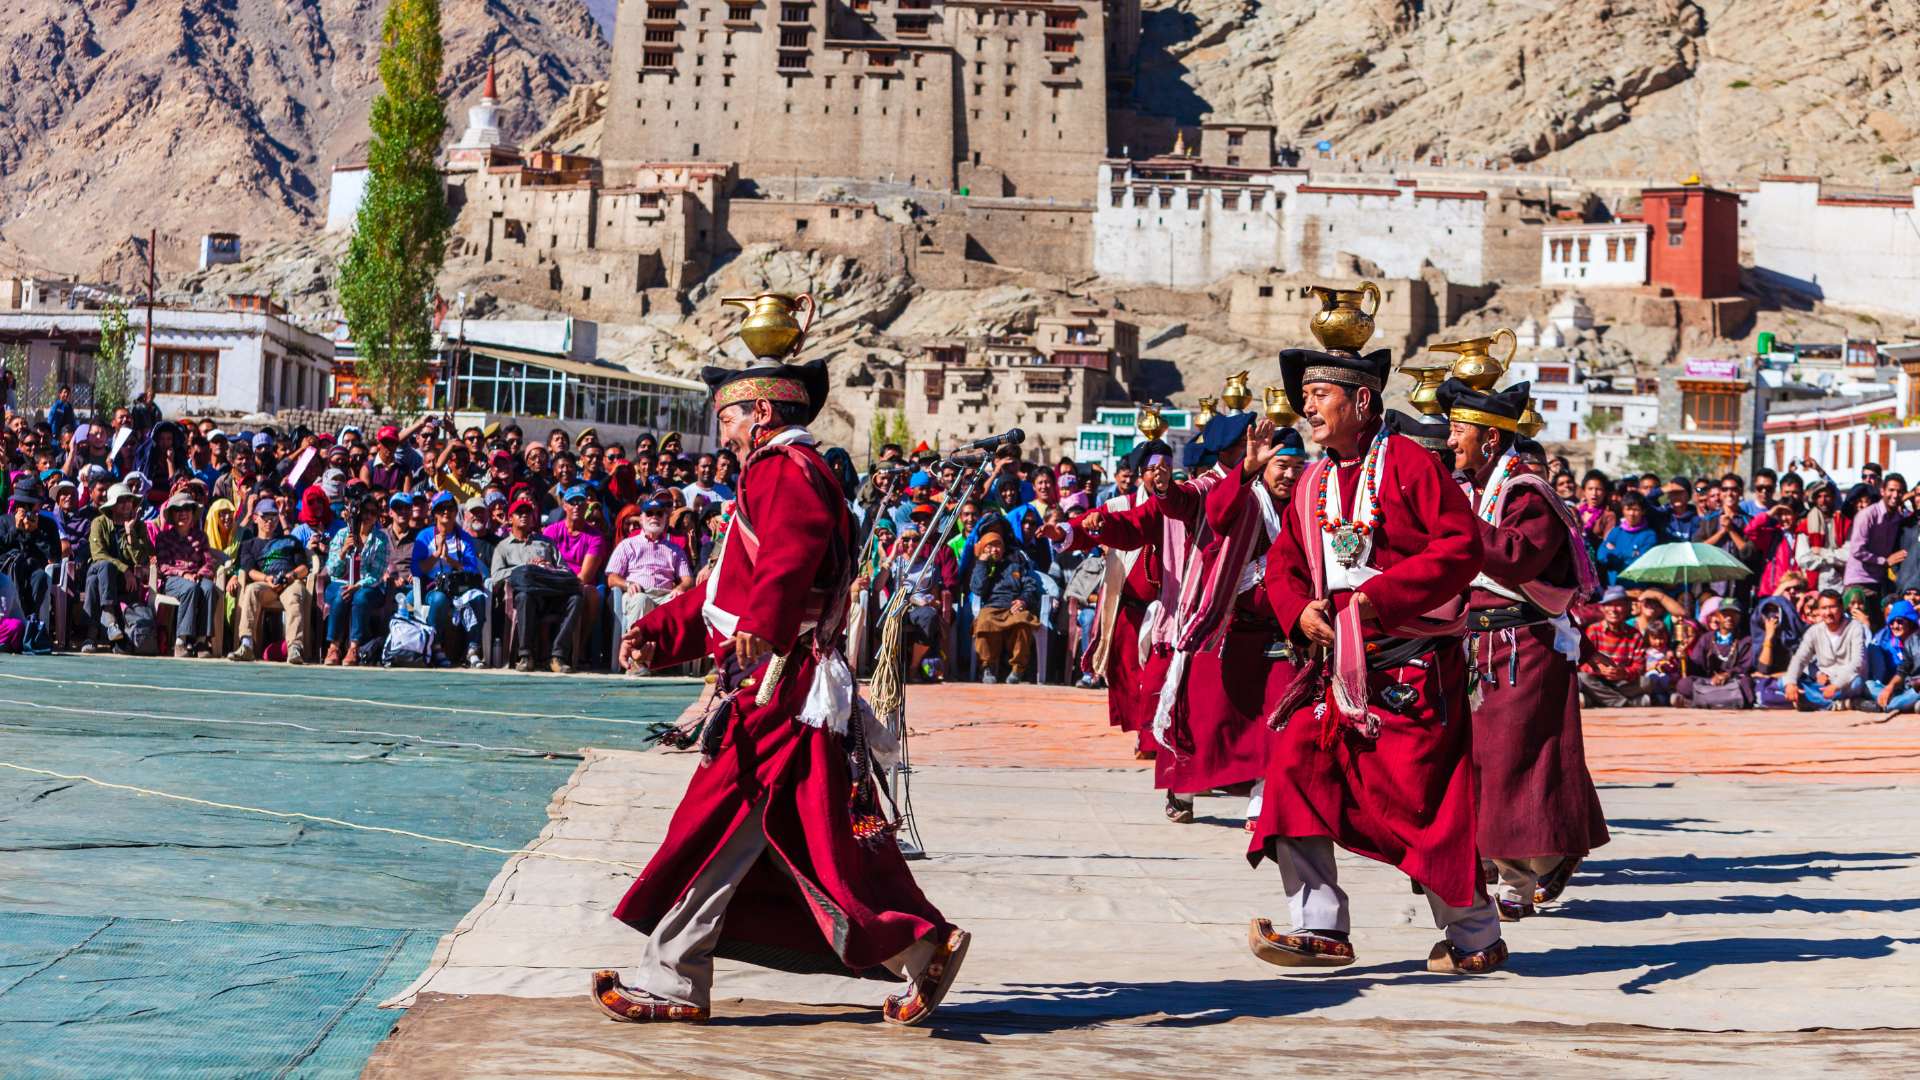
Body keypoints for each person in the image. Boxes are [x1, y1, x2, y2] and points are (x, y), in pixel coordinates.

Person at [597, 356, 966, 1027]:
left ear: (762, 412)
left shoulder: (782, 469)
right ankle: (919, 949)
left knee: (718, 825)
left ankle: (673, 977)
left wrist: (765, 626)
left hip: (778, 687)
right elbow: (725, 591)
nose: (725, 433)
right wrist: (658, 630)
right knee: (805, 837)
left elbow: (789, 557)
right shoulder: (789, 470)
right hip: (784, 681)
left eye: (729, 417)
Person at [1246, 345, 1506, 976]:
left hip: (1410, 666)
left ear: (1361, 401)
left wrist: (1376, 600)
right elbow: (1283, 565)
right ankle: (1320, 924)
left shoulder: (1410, 464)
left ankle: (1475, 935)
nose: (1307, 408)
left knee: (1421, 805)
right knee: (1295, 766)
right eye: (1305, 397)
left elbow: (1461, 546)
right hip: (1336, 670)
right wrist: (1298, 611)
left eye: (1320, 395)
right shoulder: (1312, 482)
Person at [1439, 377, 1607, 922]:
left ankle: (1518, 879)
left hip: (1523, 644)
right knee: (1479, 758)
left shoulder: (1527, 493)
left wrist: (1454, 520)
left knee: (1511, 760)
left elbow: (1517, 558)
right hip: (1478, 642)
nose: (1449, 441)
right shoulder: (1474, 490)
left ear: (1489, 438)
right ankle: (1527, 857)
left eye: (1458, 430)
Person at [1045, 438, 1200, 761]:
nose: (1161, 474)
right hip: (1130, 607)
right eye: (1154, 469)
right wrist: (1063, 533)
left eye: (1167, 468)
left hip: (1172, 609)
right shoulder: (1120, 505)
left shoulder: (1183, 502)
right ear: (1141, 473)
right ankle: (1146, 735)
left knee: (1162, 676)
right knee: (1131, 678)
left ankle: (1154, 739)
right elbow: (1089, 526)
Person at [491, 497, 585, 672]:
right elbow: (496, 576)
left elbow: (565, 570)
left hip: (551, 593)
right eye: (519, 513)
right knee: (524, 596)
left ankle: (557, 656)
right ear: (510, 518)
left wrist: (549, 568)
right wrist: (525, 568)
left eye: (528, 513)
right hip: (527, 597)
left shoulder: (545, 542)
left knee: (576, 598)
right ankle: (526, 656)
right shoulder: (503, 547)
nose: (524, 516)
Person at [226, 497, 313, 663]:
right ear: (255, 518)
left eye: (273, 516)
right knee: (251, 590)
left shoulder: (291, 541)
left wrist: (290, 577)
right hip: (265, 583)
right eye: (265, 516)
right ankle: (247, 645)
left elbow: (304, 568)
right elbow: (249, 570)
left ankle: (294, 648)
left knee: (296, 593)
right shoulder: (248, 544)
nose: (270, 521)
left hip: (289, 582)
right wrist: (267, 579)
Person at [412, 491, 489, 669]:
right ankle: (435, 646)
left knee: (478, 597)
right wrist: (436, 554)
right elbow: (416, 570)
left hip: (459, 587)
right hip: (434, 587)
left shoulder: (464, 537)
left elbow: (472, 568)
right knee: (439, 599)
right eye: (441, 509)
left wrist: (449, 560)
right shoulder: (424, 536)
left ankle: (473, 649)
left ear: (456, 512)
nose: (446, 512)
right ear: (434, 513)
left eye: (450, 508)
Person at [605, 498, 694, 645]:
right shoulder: (627, 545)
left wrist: (681, 587)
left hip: (665, 595)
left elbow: (688, 579)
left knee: (677, 602)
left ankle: (668, 655)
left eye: (659, 514)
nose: (654, 517)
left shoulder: (675, 549)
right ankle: (635, 653)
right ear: (641, 519)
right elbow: (612, 578)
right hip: (638, 592)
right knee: (641, 600)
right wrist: (628, 584)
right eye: (649, 513)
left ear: (665, 519)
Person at [322, 490, 391, 666]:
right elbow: (333, 570)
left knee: (360, 598)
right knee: (340, 595)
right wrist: (343, 552)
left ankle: (354, 647)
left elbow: (376, 574)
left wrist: (358, 585)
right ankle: (334, 647)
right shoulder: (342, 534)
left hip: (368, 587)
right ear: (358, 512)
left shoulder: (381, 539)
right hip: (341, 582)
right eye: (365, 511)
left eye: (373, 513)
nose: (368, 516)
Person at [83, 482, 152, 654]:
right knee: (103, 568)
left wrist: (129, 532)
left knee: (94, 583)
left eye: (129, 500)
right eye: (121, 500)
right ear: (112, 505)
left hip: (122, 582)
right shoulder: (99, 522)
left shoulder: (139, 526)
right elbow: (98, 554)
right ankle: (109, 615)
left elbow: (140, 559)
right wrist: (125, 569)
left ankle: (93, 635)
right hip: (101, 570)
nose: (127, 504)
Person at [968, 530, 1041, 683]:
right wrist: (982, 563)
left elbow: (1030, 586)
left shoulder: (1015, 566)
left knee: (1023, 622)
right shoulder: (981, 566)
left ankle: (1017, 669)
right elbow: (978, 589)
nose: (995, 549)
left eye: (998, 545)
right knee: (984, 622)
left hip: (1013, 606)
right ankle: (987, 667)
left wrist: (1023, 600)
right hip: (992, 606)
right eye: (990, 546)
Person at [154, 491, 220, 657]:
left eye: (187, 509)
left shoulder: (201, 536)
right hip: (174, 580)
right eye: (178, 510)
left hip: (197, 576)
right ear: (172, 514)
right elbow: (163, 566)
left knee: (209, 588)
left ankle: (201, 641)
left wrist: (199, 574)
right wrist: (184, 574)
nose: (183, 513)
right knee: (190, 588)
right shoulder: (163, 537)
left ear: (192, 513)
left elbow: (209, 562)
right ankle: (181, 641)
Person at [1784, 589, 1867, 711]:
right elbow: (1800, 658)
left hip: (1845, 683)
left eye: (1832, 607)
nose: (1828, 612)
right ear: (1818, 610)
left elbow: (1858, 662)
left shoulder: (1855, 627)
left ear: (1841, 608)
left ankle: (1814, 700)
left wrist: (1836, 685)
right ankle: (1841, 704)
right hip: (1822, 685)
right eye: (1824, 608)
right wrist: (1791, 683)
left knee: (1857, 683)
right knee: (1784, 682)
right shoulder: (1814, 631)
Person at [1675, 599, 1756, 708]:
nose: (1729, 617)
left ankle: (1699, 701)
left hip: (1732, 682)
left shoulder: (1746, 640)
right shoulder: (1706, 638)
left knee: (1746, 683)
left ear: (1739, 617)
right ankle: (1725, 701)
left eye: (1734, 614)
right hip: (1709, 683)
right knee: (1684, 684)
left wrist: (1727, 674)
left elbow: (1745, 667)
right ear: (1717, 616)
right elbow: (1697, 666)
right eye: (1725, 614)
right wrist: (1685, 657)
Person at [1844, 473, 1909, 601]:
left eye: (1900, 492)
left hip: (1880, 581)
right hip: (1860, 581)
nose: (1895, 495)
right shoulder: (1867, 515)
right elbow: (1857, 550)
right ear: (1882, 491)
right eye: (1891, 490)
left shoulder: (1898, 518)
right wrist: (1884, 561)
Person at [1579, 586, 1645, 707]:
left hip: (1622, 682)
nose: (1613, 610)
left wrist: (1624, 672)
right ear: (1602, 608)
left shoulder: (1635, 634)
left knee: (1646, 682)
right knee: (1582, 678)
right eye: (1609, 605)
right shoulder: (1593, 630)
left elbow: (1639, 667)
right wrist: (1600, 669)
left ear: (1627, 608)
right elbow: (1583, 662)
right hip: (1598, 680)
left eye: (1619, 605)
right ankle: (1626, 703)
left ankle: (1596, 700)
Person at [1864, 599, 1920, 715]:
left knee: (1895, 703)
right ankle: (1903, 704)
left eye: (1899, 621)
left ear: (1910, 622)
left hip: (1916, 689)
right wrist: (1889, 687)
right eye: (1891, 622)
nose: (1895, 626)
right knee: (1869, 685)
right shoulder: (1904, 643)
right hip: (1904, 689)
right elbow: (1902, 671)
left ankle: (1888, 705)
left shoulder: (1916, 639)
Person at [1596, 491, 1659, 586]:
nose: (1631, 513)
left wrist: (1614, 552)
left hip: (1638, 587)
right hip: (1614, 587)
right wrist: (1630, 554)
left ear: (1643, 511)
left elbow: (1639, 563)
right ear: (1623, 510)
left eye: (1636, 510)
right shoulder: (1616, 531)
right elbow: (1601, 555)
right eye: (1628, 509)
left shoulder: (1649, 535)